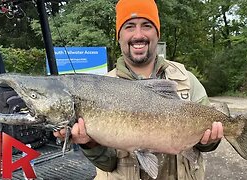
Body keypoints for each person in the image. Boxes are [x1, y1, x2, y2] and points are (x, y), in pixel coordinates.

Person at [54, 0, 224, 179]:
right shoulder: (100, 90)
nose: (138, 35)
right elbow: (108, 164)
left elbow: (205, 145)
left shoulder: (187, 80)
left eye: (146, 25)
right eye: (129, 26)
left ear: (157, 33)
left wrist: (210, 141)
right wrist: (89, 144)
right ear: (119, 36)